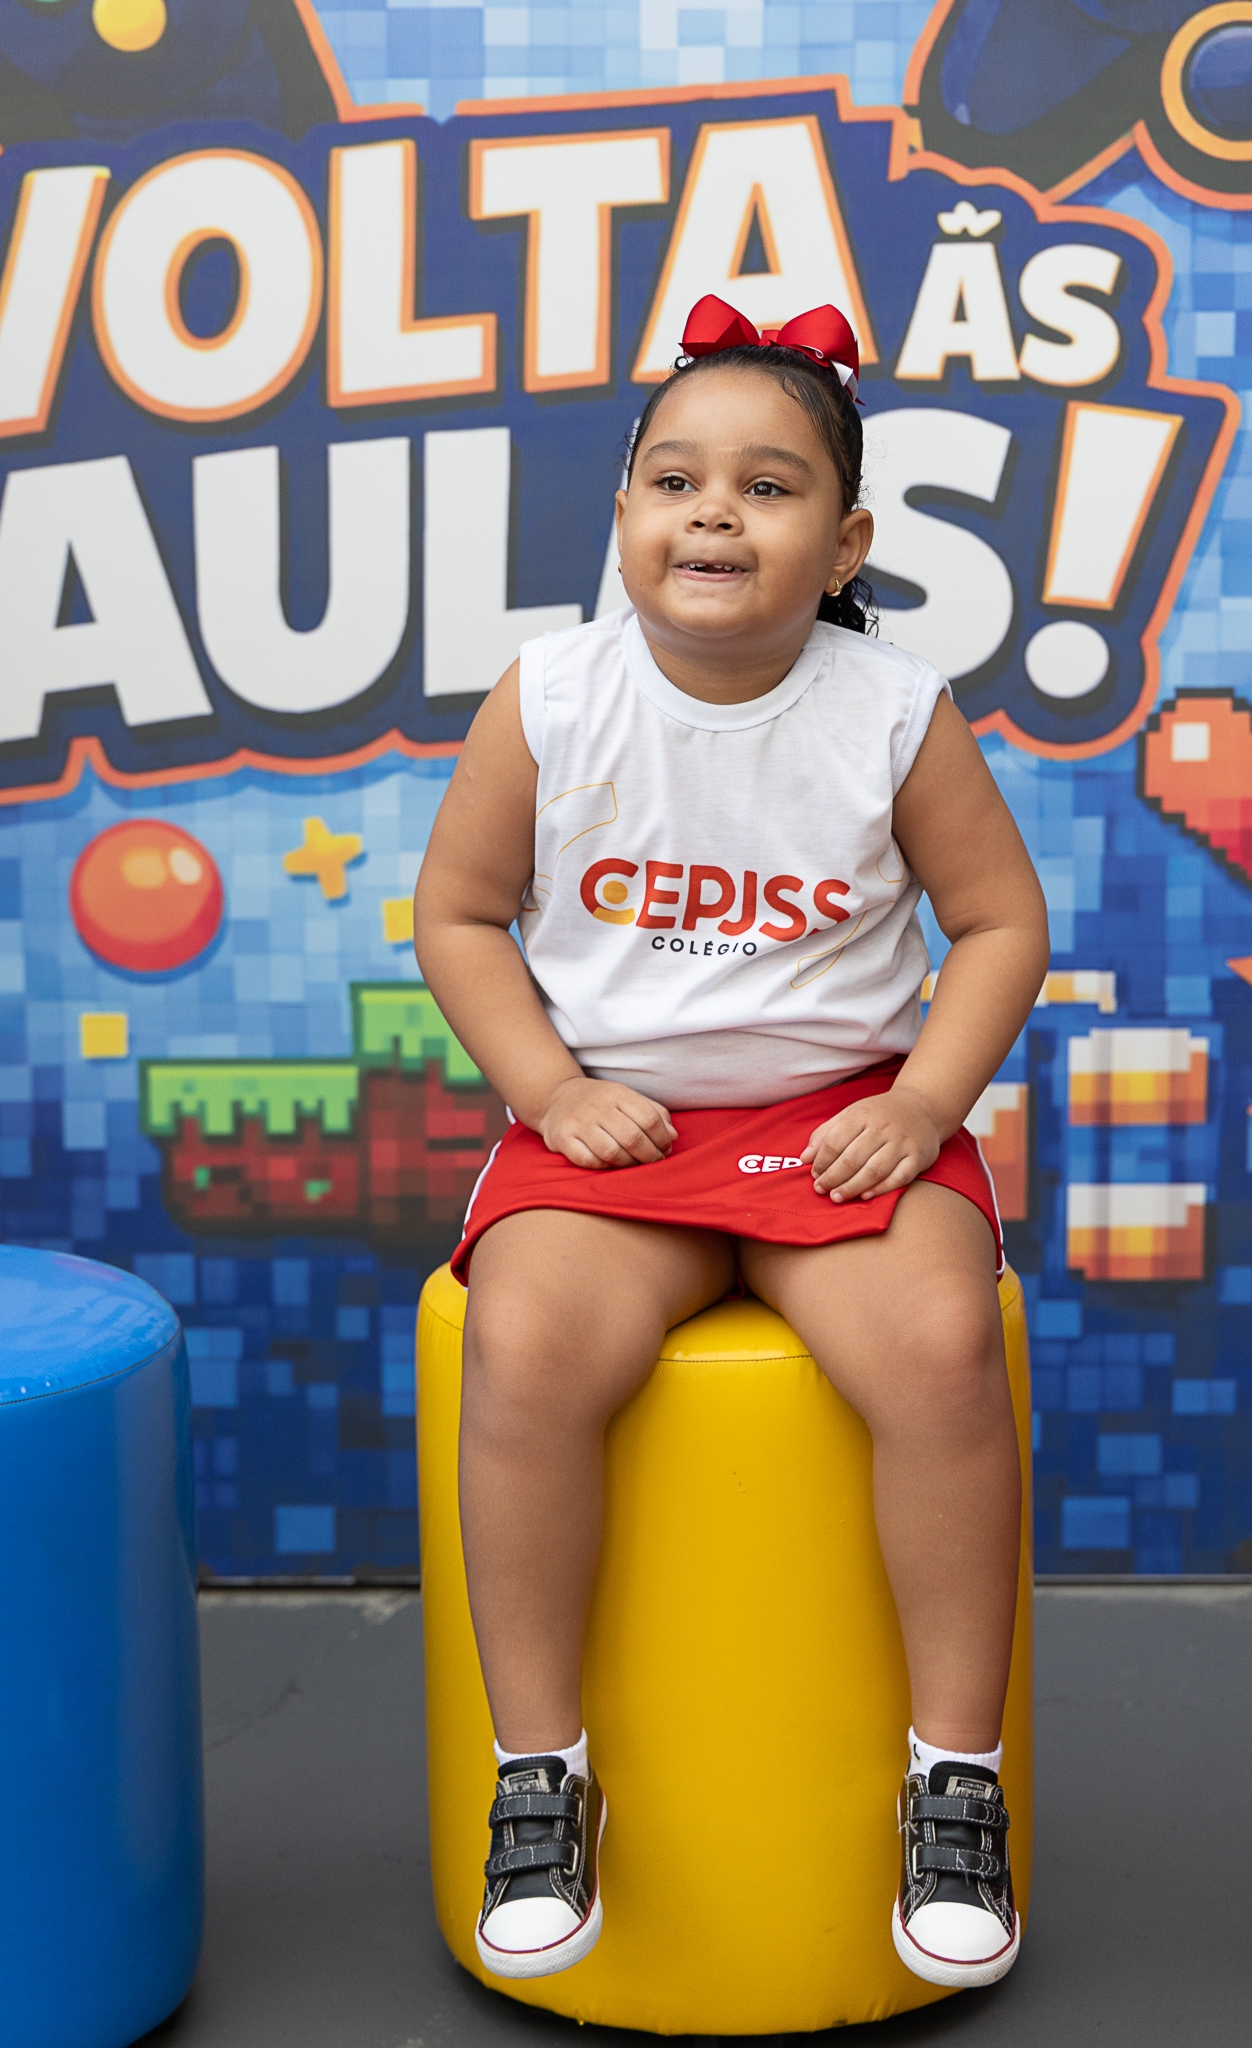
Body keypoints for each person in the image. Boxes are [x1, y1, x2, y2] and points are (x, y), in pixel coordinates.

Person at [413, 294, 1049, 1992]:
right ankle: (538, 1770)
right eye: (675, 479)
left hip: (841, 1124)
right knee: (526, 1347)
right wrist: (547, 1088)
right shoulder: (551, 696)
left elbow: (998, 924)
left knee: (940, 1348)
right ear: (623, 510)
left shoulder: (892, 709)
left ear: (842, 544)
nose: (713, 513)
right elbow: (458, 914)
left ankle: (953, 1777)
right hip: (615, 1134)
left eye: (768, 487)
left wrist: (920, 1105)